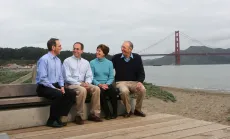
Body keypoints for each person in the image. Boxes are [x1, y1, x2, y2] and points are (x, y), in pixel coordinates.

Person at [36, 38, 76, 128]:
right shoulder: (44, 59)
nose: (61, 47)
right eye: (59, 46)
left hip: (55, 85)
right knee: (58, 94)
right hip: (44, 87)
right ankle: (51, 120)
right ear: (53, 47)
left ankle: (59, 118)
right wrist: (55, 88)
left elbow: (61, 76)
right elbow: (43, 79)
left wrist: (61, 86)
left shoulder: (58, 60)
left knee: (71, 94)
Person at [62, 42, 102, 125]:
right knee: (82, 90)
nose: (75, 50)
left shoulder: (86, 62)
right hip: (71, 84)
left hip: (83, 83)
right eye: (74, 48)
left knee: (96, 88)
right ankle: (79, 116)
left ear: (82, 51)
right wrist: (80, 84)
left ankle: (94, 114)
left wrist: (87, 83)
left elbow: (89, 76)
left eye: (77, 49)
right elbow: (67, 77)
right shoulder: (67, 61)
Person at [111, 41, 146, 118]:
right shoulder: (116, 58)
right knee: (124, 91)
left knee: (142, 89)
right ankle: (128, 110)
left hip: (134, 82)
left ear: (130, 49)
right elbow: (108, 69)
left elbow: (141, 72)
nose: (122, 49)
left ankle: (137, 110)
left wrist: (140, 82)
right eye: (122, 47)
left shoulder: (137, 58)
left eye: (124, 47)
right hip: (121, 82)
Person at [90, 44, 117, 120]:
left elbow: (111, 77)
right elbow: (91, 77)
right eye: (97, 50)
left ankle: (115, 113)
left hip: (107, 84)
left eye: (99, 51)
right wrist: (99, 84)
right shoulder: (92, 63)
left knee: (113, 91)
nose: (97, 52)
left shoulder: (109, 63)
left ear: (104, 53)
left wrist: (107, 84)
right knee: (101, 93)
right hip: (97, 84)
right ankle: (107, 113)